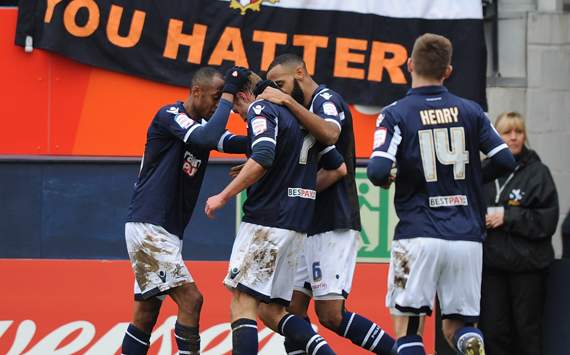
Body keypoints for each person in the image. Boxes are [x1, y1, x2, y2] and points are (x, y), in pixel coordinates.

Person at [367, 33, 516, 355]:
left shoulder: (395, 113)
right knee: (458, 326)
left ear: (409, 65)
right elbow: (505, 160)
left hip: (418, 234)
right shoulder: (471, 111)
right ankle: (469, 343)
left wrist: (393, 177)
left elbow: (377, 170)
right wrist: (472, 180)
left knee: (408, 326)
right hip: (466, 237)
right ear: (447, 71)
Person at [258, 53, 395, 354]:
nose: (279, 91)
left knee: (331, 315)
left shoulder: (325, 99)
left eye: (281, 83)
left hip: (333, 220)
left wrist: (288, 103)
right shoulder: (302, 110)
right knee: (288, 311)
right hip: (306, 223)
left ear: (301, 72)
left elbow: (333, 140)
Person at [205, 73, 346, 354]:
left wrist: (223, 196)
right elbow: (337, 167)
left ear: (244, 96)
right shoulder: (300, 115)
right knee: (272, 312)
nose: (240, 117)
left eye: (236, 110)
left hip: (267, 221)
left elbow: (263, 156)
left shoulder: (261, 108)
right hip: (296, 225)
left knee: (242, 303)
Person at [121, 66, 251, 355]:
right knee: (192, 300)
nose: (221, 106)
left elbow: (235, 142)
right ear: (196, 92)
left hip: (165, 231)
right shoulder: (170, 115)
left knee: (145, 313)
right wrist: (230, 96)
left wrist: (273, 131)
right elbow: (205, 139)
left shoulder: (205, 126)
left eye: (223, 99)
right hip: (149, 226)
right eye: (217, 98)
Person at [479, 112, 559, 355]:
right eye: (506, 132)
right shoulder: (482, 171)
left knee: (527, 333)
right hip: (491, 267)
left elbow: (547, 221)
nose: (513, 138)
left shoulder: (538, 173)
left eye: (518, 132)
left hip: (528, 268)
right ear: (496, 137)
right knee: (492, 333)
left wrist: (507, 217)